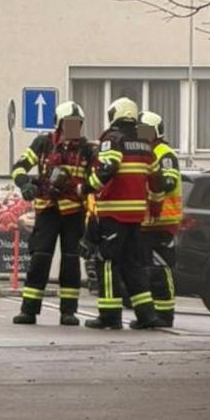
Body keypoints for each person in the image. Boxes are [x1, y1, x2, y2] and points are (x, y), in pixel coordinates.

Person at [10, 101, 95, 326]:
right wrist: (25, 184)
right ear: (59, 124)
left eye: (77, 124)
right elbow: (19, 167)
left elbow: (95, 179)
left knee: (71, 261)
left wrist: (83, 189)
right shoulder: (43, 143)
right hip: (48, 209)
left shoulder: (87, 150)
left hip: (74, 212)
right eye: (69, 124)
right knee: (40, 258)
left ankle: (68, 312)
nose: (74, 128)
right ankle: (29, 310)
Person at [84, 97, 164, 330]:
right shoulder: (145, 143)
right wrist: (155, 206)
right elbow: (157, 180)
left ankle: (110, 316)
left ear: (115, 115)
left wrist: (87, 187)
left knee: (107, 262)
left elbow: (108, 168)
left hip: (113, 214)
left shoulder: (112, 139)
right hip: (136, 216)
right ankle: (147, 316)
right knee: (133, 265)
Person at [139, 110, 183, 327]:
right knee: (144, 271)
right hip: (146, 223)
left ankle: (165, 315)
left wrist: (148, 182)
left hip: (163, 222)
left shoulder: (164, 154)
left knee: (161, 270)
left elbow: (169, 183)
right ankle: (149, 316)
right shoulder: (142, 154)